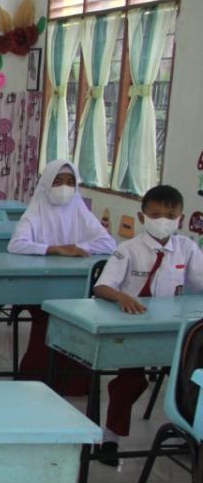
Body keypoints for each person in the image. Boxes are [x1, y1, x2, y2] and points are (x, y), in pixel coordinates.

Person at [93, 184, 203, 465]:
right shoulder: (128, 249)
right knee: (129, 381)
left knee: (190, 373)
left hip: (172, 329)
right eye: (156, 214)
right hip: (134, 327)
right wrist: (120, 297)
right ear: (142, 218)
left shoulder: (187, 248)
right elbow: (102, 286)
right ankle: (111, 438)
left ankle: (186, 430)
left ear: (181, 217)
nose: (163, 221)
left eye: (170, 214)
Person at [9, 160, 115, 386]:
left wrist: (80, 248)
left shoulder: (80, 211)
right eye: (57, 182)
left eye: (70, 182)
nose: (64, 188)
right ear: (47, 184)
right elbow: (17, 244)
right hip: (39, 288)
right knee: (47, 320)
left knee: (77, 320)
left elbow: (108, 243)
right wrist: (55, 249)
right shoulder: (36, 211)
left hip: (75, 289)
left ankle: (73, 383)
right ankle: (36, 378)